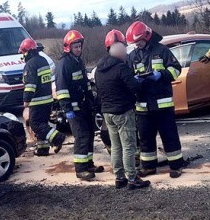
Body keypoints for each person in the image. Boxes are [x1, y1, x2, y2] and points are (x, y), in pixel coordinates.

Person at [126, 21, 185, 178]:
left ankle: (176, 166)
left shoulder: (162, 50)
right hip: (143, 106)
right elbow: (127, 76)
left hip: (163, 104)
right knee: (145, 138)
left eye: (138, 41)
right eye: (134, 43)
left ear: (147, 36)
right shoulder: (132, 56)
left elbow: (176, 69)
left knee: (169, 136)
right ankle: (148, 167)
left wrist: (161, 75)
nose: (137, 44)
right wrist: (135, 80)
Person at [95, 29, 150, 189]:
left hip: (107, 113)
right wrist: (141, 81)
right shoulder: (121, 67)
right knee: (128, 146)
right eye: (124, 48)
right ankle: (132, 179)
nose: (126, 52)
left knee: (116, 146)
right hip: (123, 112)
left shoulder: (99, 69)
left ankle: (119, 178)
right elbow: (134, 87)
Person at [55, 30, 103, 180]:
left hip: (84, 106)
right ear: (68, 47)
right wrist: (67, 109)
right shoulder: (63, 64)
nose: (78, 49)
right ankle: (81, 169)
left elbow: (85, 84)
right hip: (74, 110)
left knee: (88, 135)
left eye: (79, 47)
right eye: (75, 47)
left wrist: (92, 101)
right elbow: (62, 89)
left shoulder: (79, 62)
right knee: (81, 136)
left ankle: (88, 163)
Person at [19, 38, 66, 156]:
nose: (22, 56)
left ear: (27, 52)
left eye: (23, 53)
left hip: (36, 101)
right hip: (47, 99)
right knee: (43, 123)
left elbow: (30, 85)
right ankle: (43, 149)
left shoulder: (30, 65)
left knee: (35, 124)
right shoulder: (43, 61)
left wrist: (26, 99)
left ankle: (57, 138)